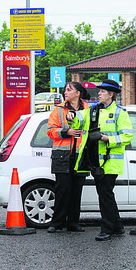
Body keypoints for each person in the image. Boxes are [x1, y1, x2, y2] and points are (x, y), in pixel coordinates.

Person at [66, 79, 133, 241]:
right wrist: (72, 116)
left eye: (102, 91)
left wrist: (105, 138)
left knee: (104, 195)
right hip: (95, 160)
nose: (99, 93)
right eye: (100, 91)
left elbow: (127, 136)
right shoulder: (94, 110)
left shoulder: (120, 113)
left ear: (111, 95)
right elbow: (80, 120)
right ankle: (117, 226)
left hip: (110, 162)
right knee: (106, 194)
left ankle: (107, 229)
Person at [46, 82, 91, 233]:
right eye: (65, 90)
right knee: (62, 190)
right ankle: (57, 223)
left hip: (80, 155)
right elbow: (51, 131)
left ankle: (73, 223)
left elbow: (91, 129)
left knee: (76, 190)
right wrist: (66, 132)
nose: (66, 92)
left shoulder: (88, 109)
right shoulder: (59, 110)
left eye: (69, 90)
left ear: (78, 93)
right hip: (62, 155)